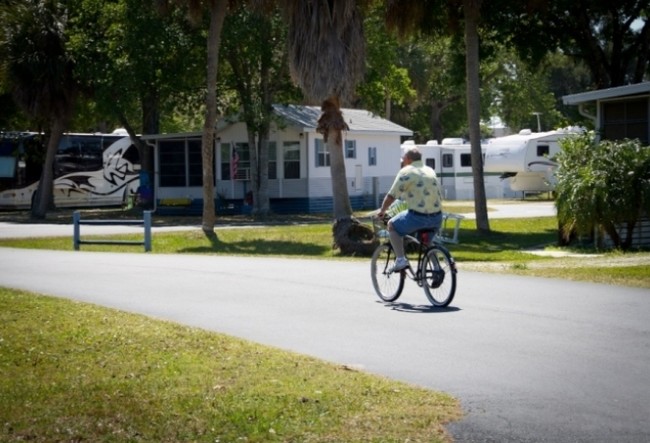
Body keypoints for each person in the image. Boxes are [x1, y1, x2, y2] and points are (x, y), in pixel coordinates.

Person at [377, 147, 443, 271]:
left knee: (392, 225)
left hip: (418, 217)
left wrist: (382, 210)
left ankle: (401, 259)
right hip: (437, 217)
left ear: (407, 159)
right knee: (426, 241)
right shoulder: (430, 170)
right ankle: (436, 268)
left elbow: (392, 195)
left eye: (403, 159)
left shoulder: (406, 171)